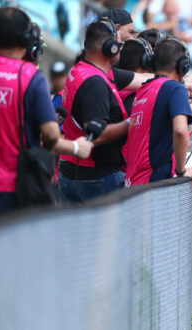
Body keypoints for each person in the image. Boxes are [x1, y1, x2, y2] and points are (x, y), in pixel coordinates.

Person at [0, 7, 93, 215]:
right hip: (13, 192)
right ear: (27, 40)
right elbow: (52, 137)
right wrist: (76, 147)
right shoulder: (30, 77)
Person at [58, 18, 137, 202]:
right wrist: (130, 123)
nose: (121, 48)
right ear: (111, 48)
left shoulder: (82, 69)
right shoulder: (95, 84)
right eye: (120, 44)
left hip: (75, 172)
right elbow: (96, 135)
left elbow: (142, 79)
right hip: (96, 178)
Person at [123, 38, 192, 186]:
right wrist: (181, 171)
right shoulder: (175, 89)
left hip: (134, 182)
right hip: (155, 184)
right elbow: (181, 131)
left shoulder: (143, 89)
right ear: (183, 66)